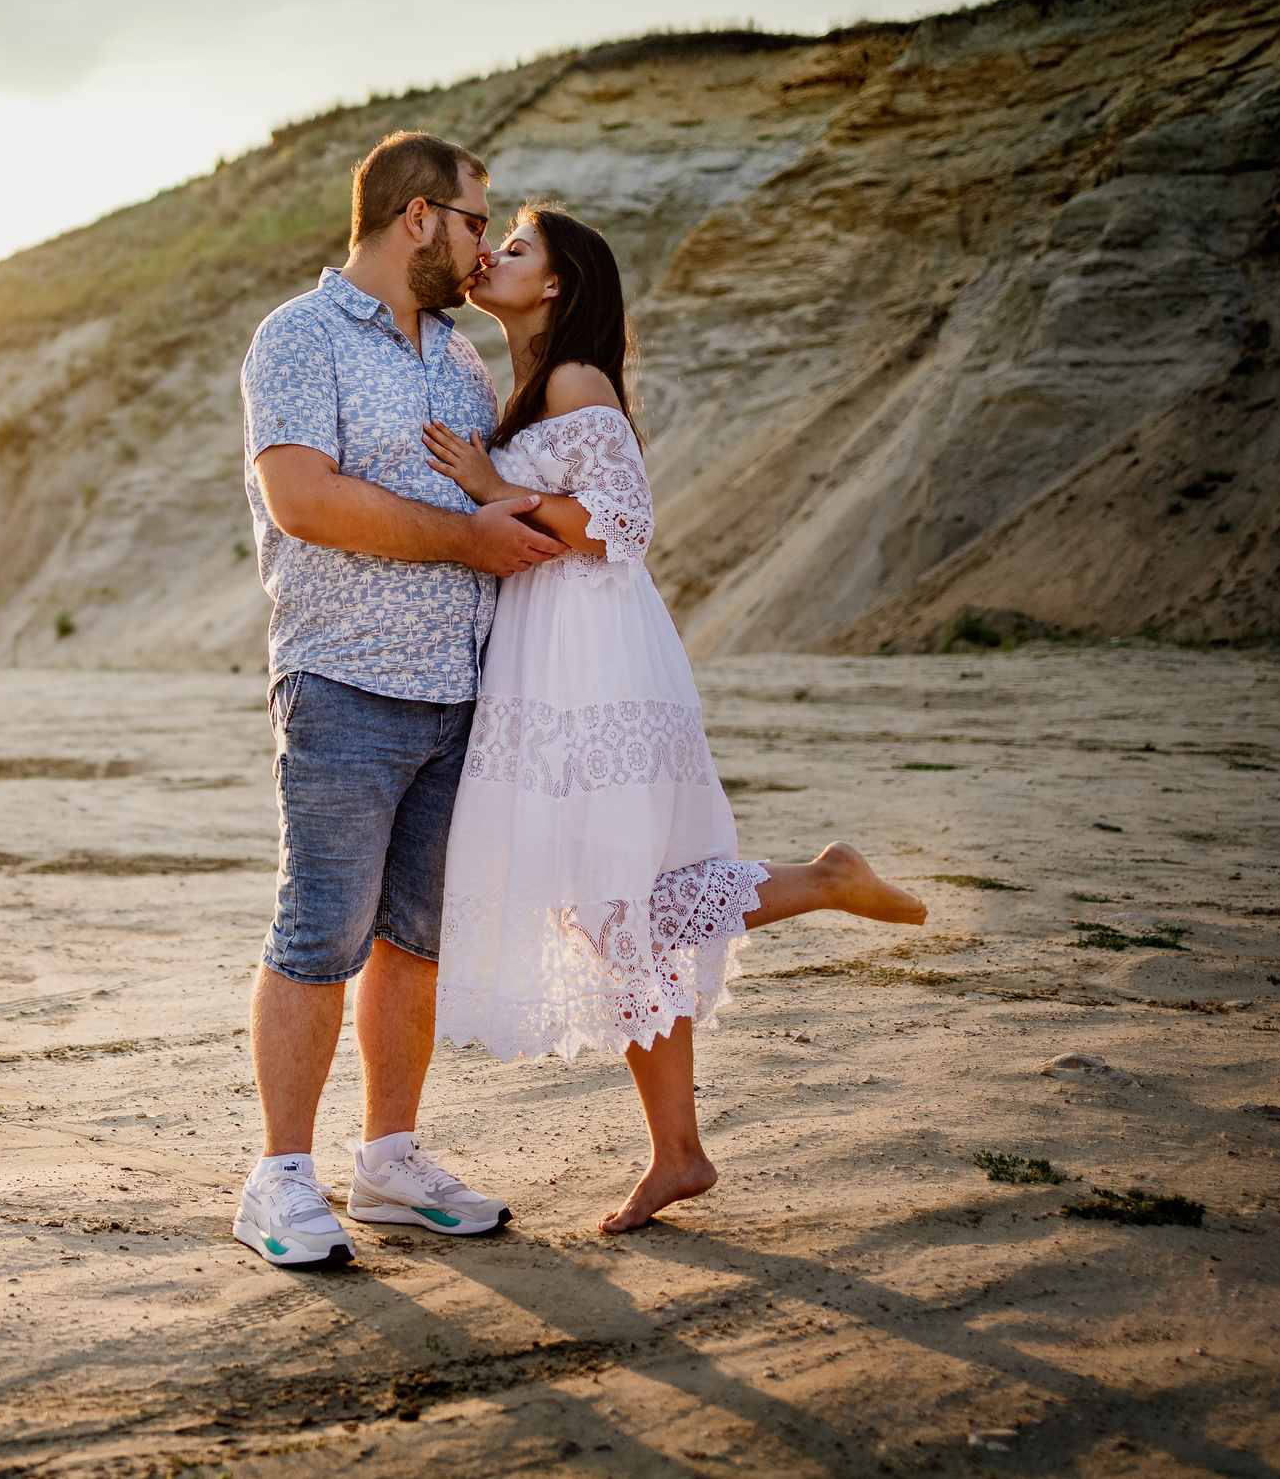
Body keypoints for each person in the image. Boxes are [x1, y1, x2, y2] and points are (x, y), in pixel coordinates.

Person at [421, 205, 928, 1233]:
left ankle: (824, 883)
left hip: (593, 659)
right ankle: (680, 1152)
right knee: (613, 911)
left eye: (516, 247)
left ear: (556, 285)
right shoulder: (532, 386)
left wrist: (492, 486)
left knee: (615, 903)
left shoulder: (575, 379)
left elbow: (625, 522)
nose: (493, 256)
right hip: (552, 652)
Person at [231, 132, 562, 1269]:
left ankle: (388, 1160)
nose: (483, 248)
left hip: (459, 691)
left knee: (415, 941)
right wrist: (466, 539)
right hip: (344, 681)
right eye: (474, 222)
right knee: (320, 930)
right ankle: (279, 1178)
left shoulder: (459, 359)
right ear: (417, 217)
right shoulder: (299, 335)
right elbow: (303, 499)